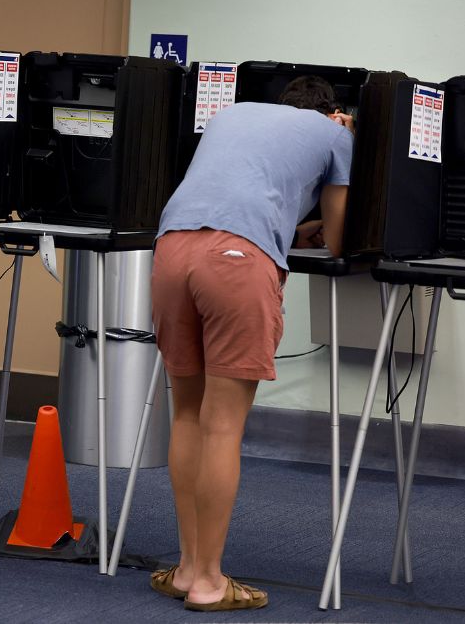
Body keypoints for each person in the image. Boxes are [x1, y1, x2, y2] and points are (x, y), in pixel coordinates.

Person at [148, 75, 353, 611]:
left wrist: (288, 229)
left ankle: (189, 567)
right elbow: (337, 238)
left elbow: (239, 186)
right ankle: (211, 584)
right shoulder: (334, 134)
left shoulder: (232, 113)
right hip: (236, 261)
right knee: (223, 426)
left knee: (188, 416)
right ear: (332, 112)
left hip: (172, 250)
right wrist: (344, 140)